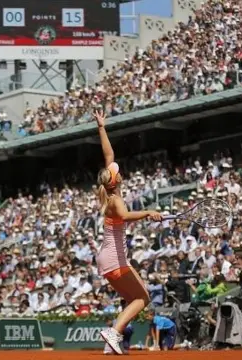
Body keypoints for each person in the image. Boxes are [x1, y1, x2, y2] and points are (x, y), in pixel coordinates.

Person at [93, 109, 162, 355]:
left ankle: (109, 345)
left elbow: (108, 153)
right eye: (116, 172)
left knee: (134, 298)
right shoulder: (115, 200)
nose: (119, 171)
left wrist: (102, 127)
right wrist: (148, 213)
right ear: (113, 181)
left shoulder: (110, 189)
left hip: (108, 257)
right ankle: (114, 332)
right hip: (115, 258)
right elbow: (124, 216)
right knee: (143, 298)